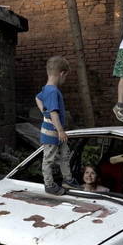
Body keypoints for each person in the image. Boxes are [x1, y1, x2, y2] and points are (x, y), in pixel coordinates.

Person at [35, 56, 82, 195]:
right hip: (52, 132)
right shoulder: (53, 91)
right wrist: (60, 131)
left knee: (64, 155)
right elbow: (54, 113)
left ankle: (68, 179)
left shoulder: (47, 89)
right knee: (49, 158)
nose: (65, 80)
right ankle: (49, 184)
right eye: (65, 77)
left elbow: (37, 98)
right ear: (62, 73)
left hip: (56, 131)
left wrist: (43, 109)